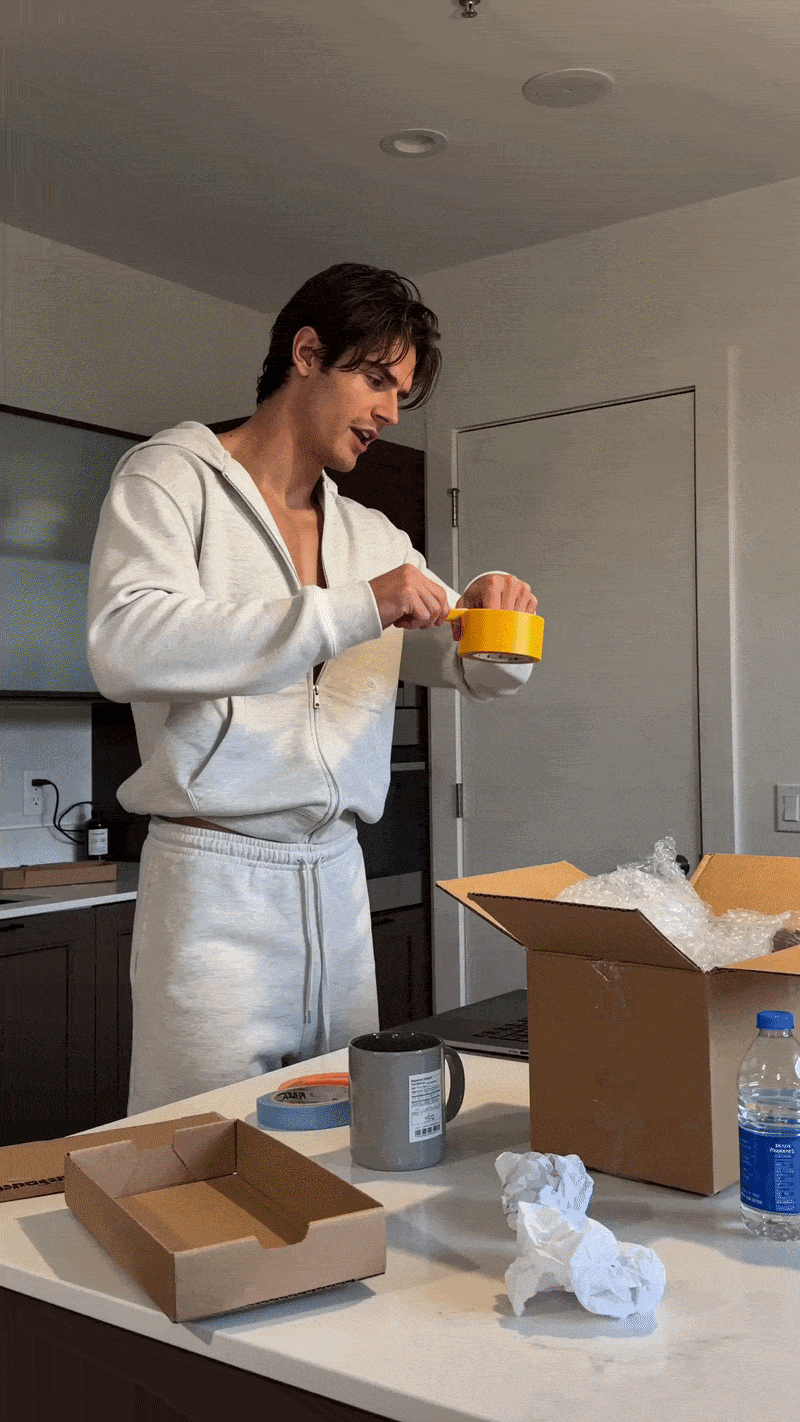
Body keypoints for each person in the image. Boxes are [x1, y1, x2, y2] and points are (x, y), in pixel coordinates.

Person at [87, 263, 537, 1114]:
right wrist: (353, 609)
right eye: (375, 379)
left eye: (401, 392)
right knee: (207, 1148)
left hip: (337, 878)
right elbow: (124, 645)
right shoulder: (170, 480)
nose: (390, 413)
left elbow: (466, 669)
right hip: (213, 879)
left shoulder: (373, 535)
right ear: (305, 352)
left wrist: (492, 619)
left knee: (342, 1139)